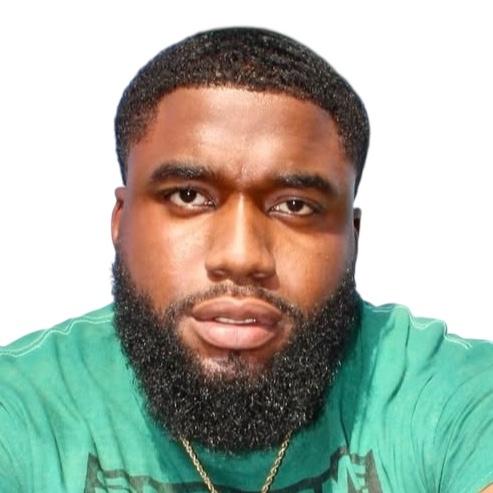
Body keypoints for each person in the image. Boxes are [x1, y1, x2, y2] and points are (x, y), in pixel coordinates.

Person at [0, 26, 492, 493]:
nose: (240, 256)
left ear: (353, 237)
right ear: (121, 221)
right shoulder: (21, 407)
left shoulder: (451, 394)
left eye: (295, 205)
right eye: (188, 196)